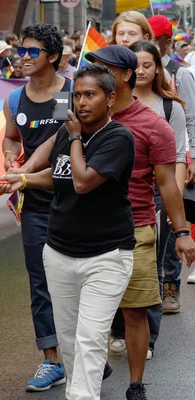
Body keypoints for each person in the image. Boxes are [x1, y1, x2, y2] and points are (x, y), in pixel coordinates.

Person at [16, 44, 195, 400]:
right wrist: (21, 173)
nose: (81, 99)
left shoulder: (149, 126)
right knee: (79, 333)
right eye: (90, 69)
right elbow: (56, 155)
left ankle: (135, 384)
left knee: (132, 313)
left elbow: (166, 184)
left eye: (104, 69)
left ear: (120, 82)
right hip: (70, 240)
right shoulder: (74, 118)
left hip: (133, 231)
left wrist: (181, 231)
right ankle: (91, 369)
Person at [0, 63, 136, 400]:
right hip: (59, 253)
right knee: (71, 341)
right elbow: (59, 177)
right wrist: (25, 178)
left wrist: (74, 137)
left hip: (106, 257)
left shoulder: (118, 138)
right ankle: (78, 392)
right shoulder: (65, 135)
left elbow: (82, 181)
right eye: (78, 96)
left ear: (111, 98)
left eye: (91, 95)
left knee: (89, 338)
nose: (82, 102)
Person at [1, 23, 70, 392]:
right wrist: (11, 159)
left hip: (76, 203)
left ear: (53, 56)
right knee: (40, 282)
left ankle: (80, 350)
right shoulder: (14, 101)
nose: (22, 57)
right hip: (35, 205)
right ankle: (52, 360)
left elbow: (62, 139)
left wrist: (26, 169)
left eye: (32, 52)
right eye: (20, 50)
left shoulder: (72, 94)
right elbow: (11, 139)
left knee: (72, 280)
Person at [127, 40, 188, 361]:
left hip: (158, 193)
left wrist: (173, 206)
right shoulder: (113, 104)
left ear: (157, 69)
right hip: (121, 196)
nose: (140, 71)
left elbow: (177, 157)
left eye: (147, 65)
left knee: (150, 268)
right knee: (118, 267)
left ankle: (147, 337)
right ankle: (119, 330)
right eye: (134, 65)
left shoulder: (169, 108)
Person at [148, 14, 195, 314]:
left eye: (153, 39)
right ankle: (148, 286)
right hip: (142, 163)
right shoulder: (130, 74)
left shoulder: (181, 74)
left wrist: (192, 159)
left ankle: (171, 285)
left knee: (172, 220)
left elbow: (190, 120)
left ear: (165, 42)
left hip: (176, 158)